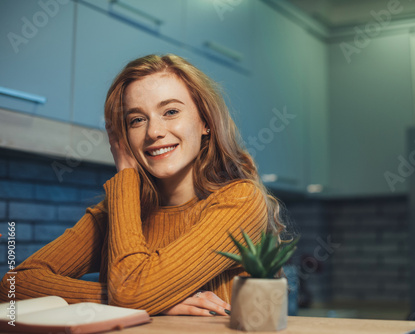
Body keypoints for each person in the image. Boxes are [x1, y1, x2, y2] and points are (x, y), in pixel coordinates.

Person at [0, 54, 286, 316]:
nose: (154, 132)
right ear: (123, 139)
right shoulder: (118, 211)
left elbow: (132, 295)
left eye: (171, 112)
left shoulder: (240, 200)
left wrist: (143, 298)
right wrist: (153, 300)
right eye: (137, 120)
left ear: (205, 122)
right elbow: (12, 286)